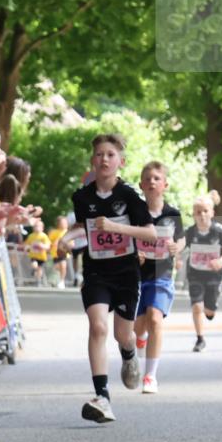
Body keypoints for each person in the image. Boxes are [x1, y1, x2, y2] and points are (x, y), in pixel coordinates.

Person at [67, 133, 156, 423]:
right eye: (99, 154)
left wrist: (120, 230)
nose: (104, 159)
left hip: (126, 273)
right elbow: (83, 228)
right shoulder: (82, 197)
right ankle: (102, 397)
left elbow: (150, 233)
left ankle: (129, 353)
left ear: (121, 162)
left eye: (110, 155)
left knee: (122, 335)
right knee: (97, 328)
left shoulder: (129, 196)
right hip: (96, 272)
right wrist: (67, 239)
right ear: (92, 160)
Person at [130, 162, 184, 393]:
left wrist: (176, 248)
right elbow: (126, 238)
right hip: (137, 276)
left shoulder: (172, 214)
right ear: (141, 185)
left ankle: (150, 376)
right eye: (147, 179)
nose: (152, 182)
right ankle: (140, 337)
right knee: (139, 325)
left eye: (156, 178)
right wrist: (135, 251)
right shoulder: (135, 212)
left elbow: (181, 239)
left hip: (161, 274)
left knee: (155, 319)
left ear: (165, 184)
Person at [181, 191, 222, 353]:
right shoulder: (190, 232)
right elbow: (180, 246)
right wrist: (177, 259)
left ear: (212, 213)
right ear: (193, 214)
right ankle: (200, 339)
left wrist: (221, 260)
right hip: (195, 274)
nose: (202, 215)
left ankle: (211, 308)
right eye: (198, 212)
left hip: (214, 274)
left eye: (205, 211)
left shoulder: (219, 231)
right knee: (197, 307)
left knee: (209, 310)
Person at [47, 215, 70, 288]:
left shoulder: (68, 232)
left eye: (65, 222)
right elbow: (49, 242)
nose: (64, 224)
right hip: (55, 253)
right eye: (62, 223)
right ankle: (55, 280)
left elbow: (72, 243)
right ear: (58, 224)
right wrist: (53, 244)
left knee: (63, 265)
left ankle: (62, 281)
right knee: (57, 267)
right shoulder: (54, 232)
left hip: (64, 253)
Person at [25, 219, 50, 285]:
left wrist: (42, 246)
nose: (36, 228)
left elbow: (47, 246)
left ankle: (38, 280)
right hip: (34, 255)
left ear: (42, 228)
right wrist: (27, 248)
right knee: (34, 265)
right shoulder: (31, 236)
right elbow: (27, 244)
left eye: (38, 226)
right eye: (35, 226)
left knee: (40, 269)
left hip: (42, 256)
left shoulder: (44, 236)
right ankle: (34, 270)